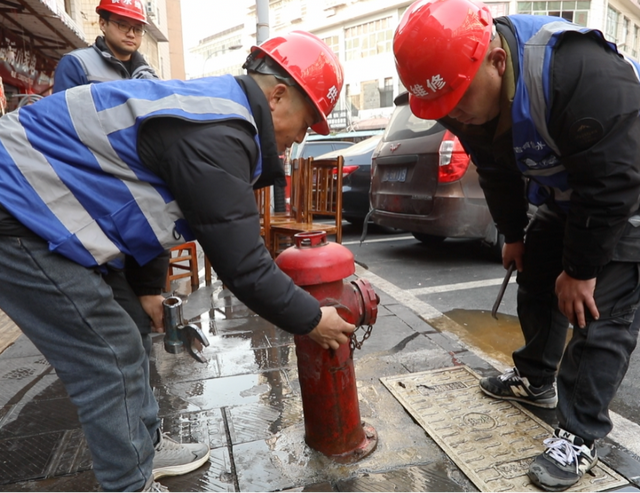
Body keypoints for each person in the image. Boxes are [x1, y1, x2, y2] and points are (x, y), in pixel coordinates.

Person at [0, 30, 354, 493]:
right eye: (306, 124)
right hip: (16, 208)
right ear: (278, 95)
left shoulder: (213, 111)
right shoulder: (219, 131)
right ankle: (129, 484)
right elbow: (243, 265)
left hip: (46, 206)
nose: (300, 138)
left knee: (129, 328)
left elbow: (147, 200)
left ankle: (143, 447)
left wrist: (148, 288)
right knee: (108, 353)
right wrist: (312, 319)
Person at [394, 0, 640, 491]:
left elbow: (614, 180)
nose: (454, 116)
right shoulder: (462, 97)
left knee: (597, 312)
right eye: (442, 109)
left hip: (626, 193)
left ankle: (580, 434)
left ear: (497, 61)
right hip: (570, 196)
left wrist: (582, 270)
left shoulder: (578, 72)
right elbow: (495, 169)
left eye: (459, 101)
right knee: (537, 272)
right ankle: (536, 379)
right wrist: (512, 234)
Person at [53, 0, 157, 92]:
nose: (131, 34)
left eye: (138, 29)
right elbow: (63, 107)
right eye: (123, 25)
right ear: (103, 24)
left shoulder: (149, 76)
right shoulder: (76, 64)